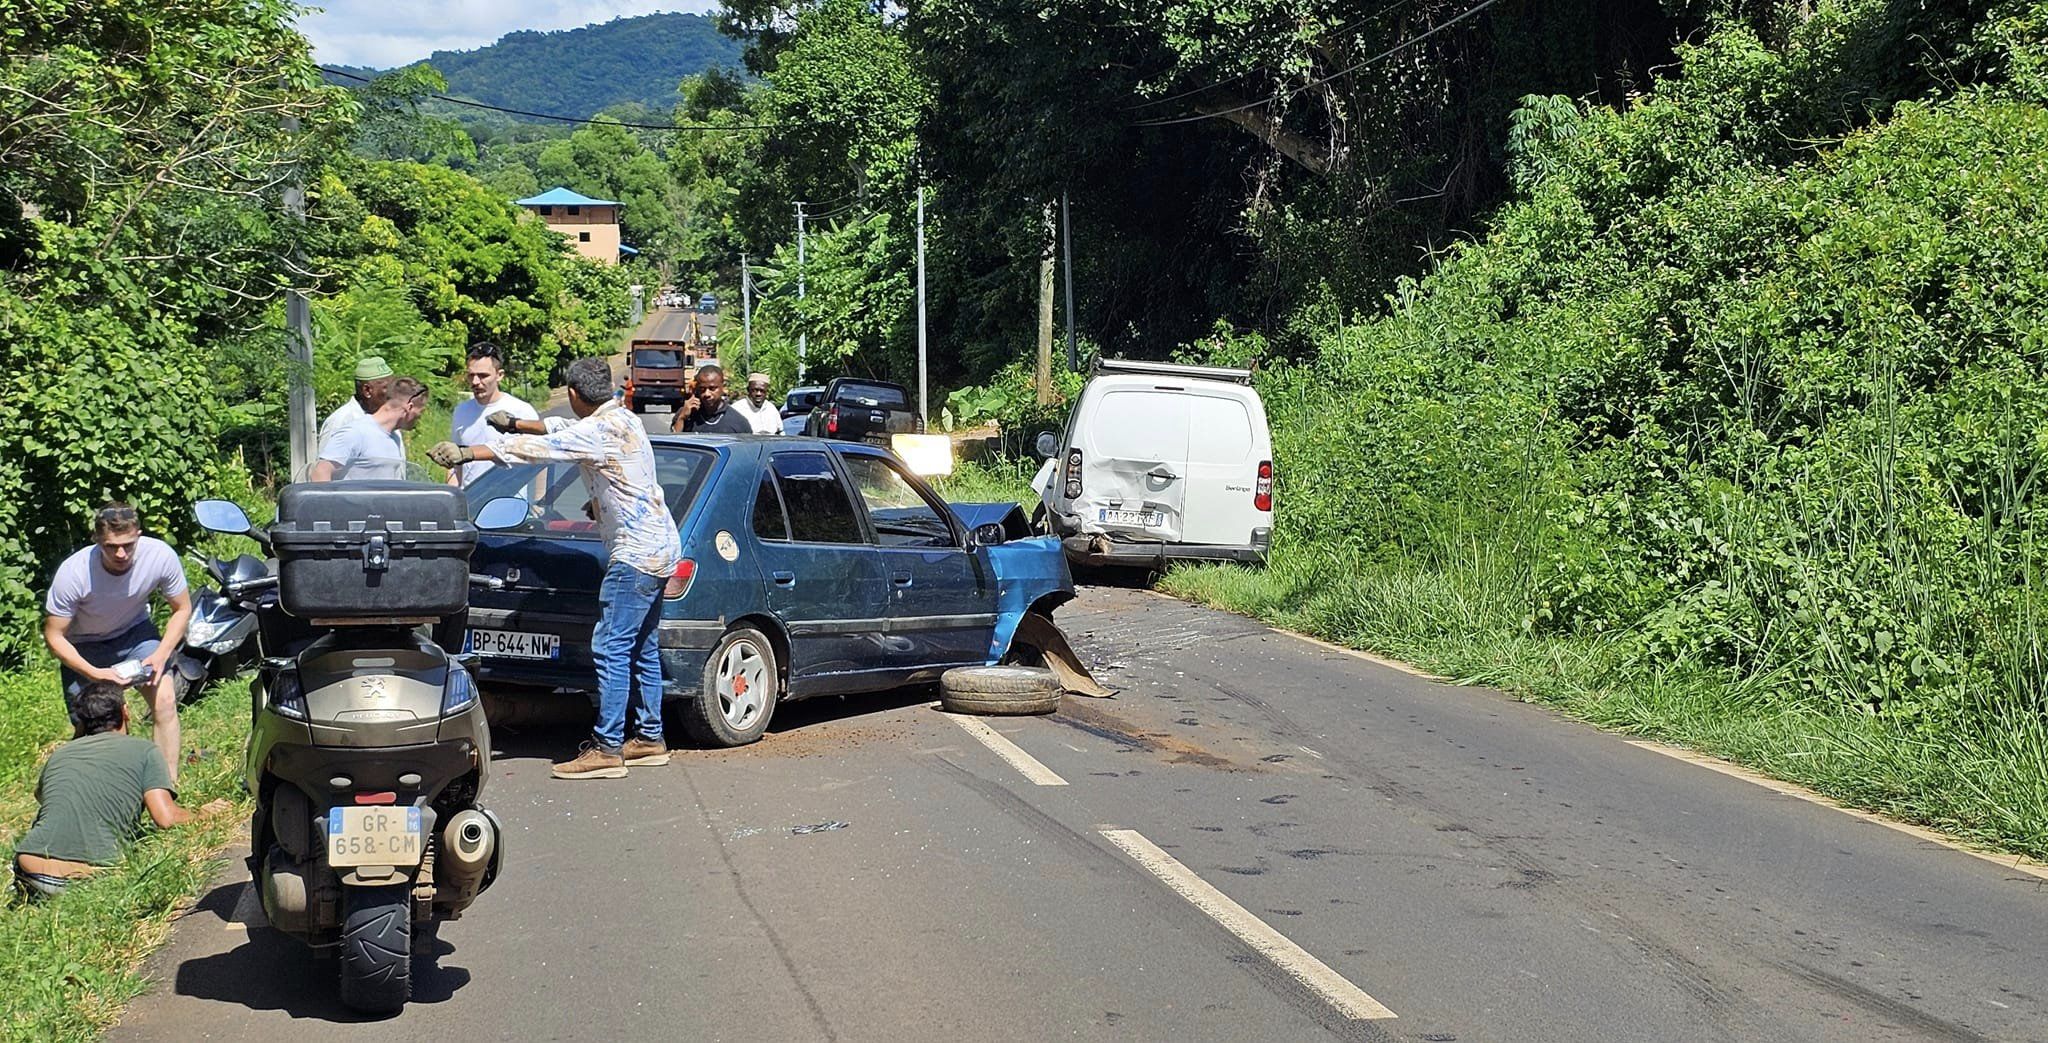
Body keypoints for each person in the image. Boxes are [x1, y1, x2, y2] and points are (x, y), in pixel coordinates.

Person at [429, 358, 681, 780]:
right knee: (642, 646)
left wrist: (470, 451)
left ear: (574, 395)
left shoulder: (598, 431)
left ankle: (608, 747)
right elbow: (562, 431)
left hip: (634, 554)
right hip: (660, 547)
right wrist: (516, 425)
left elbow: (542, 452)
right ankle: (650, 738)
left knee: (611, 648)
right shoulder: (624, 419)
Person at [12, 684, 230, 898]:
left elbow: (44, 798)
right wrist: (202, 814)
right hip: (91, 873)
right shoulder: (145, 751)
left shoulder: (59, 755)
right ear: (125, 712)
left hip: (31, 862)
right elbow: (166, 818)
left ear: (81, 722)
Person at [43, 503, 193, 783]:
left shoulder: (159, 556)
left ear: (138, 534)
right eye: (112, 547)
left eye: (128, 544)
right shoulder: (74, 573)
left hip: (135, 634)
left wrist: (161, 654)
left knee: (165, 700)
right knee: (92, 726)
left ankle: (164, 787)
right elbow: (53, 635)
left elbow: (182, 609)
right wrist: (95, 674)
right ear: (97, 541)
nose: (121, 554)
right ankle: (99, 787)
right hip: (84, 645)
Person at [448, 344, 539, 487]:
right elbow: (455, 462)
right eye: (471, 375)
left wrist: (540, 500)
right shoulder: (461, 411)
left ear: (500, 375)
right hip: (471, 500)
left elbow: (542, 457)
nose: (475, 382)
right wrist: (451, 496)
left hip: (510, 500)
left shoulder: (522, 411)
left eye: (483, 376)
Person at [311, 376, 427, 482]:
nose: (420, 417)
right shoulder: (355, 432)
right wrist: (331, 504)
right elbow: (320, 472)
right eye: (421, 411)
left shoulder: (394, 437)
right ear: (409, 407)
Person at [317, 356, 395, 451]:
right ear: (367, 390)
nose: (394, 393)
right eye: (387, 388)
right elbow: (324, 463)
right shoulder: (341, 422)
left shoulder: (391, 420)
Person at [669, 363, 755, 435]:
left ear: (723, 387)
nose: (707, 394)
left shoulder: (738, 421)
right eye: (702, 389)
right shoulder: (686, 414)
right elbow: (673, 445)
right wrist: (682, 418)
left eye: (712, 388)